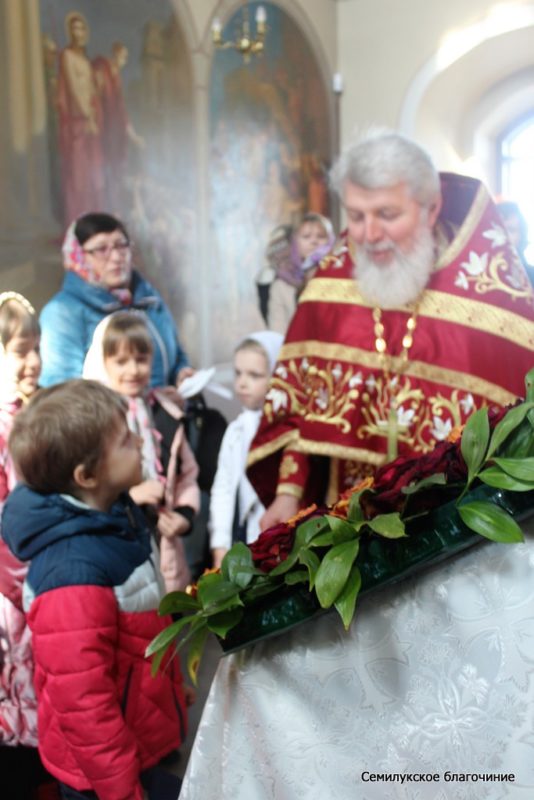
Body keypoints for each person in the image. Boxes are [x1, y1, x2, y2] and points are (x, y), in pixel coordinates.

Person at [248, 129, 534, 529]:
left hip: (458, 527)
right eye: (357, 216)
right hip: (348, 527)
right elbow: (303, 406)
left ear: (431, 208)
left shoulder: (492, 296)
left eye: (387, 214)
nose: (368, 235)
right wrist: (287, 495)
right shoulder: (330, 287)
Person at [1, 380, 190, 800]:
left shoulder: (114, 515)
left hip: (135, 741)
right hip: (104, 778)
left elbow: (134, 632)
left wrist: (168, 685)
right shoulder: (72, 572)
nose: (140, 440)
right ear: (86, 476)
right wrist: (122, 793)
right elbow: (84, 706)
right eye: (125, 440)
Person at [83, 311, 200, 592]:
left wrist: (185, 514)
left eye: (141, 359)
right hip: (119, 548)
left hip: (167, 548)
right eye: (121, 361)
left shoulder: (165, 413)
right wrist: (131, 498)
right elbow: (87, 487)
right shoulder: (95, 421)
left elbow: (186, 474)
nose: (133, 370)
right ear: (103, 362)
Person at [0, 293, 58, 799]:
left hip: (38, 582)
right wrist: (26, 583)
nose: (33, 361)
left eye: (37, 347)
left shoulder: (34, 417)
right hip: (12, 592)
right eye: (20, 350)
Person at [39, 212, 192, 388]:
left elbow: (177, 354)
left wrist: (181, 373)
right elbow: (64, 390)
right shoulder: (63, 312)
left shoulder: (148, 298)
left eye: (121, 246)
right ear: (79, 256)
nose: (116, 257)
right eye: (101, 249)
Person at [209, 331, 283, 569]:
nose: (242, 382)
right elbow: (222, 487)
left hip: (276, 535)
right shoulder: (235, 431)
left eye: (255, 375)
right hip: (240, 536)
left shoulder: (283, 430)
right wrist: (220, 543)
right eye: (238, 373)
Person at [56, 12, 104, 226]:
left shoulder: (85, 61)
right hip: (78, 123)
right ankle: (77, 225)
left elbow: (91, 91)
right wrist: (87, 117)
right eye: (75, 28)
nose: (79, 33)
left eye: (82, 28)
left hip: (91, 122)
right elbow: (74, 90)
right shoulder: (67, 56)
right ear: (70, 32)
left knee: (93, 176)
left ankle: (92, 224)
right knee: (78, 177)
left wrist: (99, 86)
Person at [266, 213, 335, 334]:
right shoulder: (281, 284)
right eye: (306, 237)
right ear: (294, 242)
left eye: (321, 236)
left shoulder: (339, 276)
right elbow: (277, 331)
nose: (314, 242)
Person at [497, 200, 534, 285]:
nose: (505, 235)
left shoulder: (531, 276)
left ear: (521, 236)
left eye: (511, 230)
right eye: (500, 228)